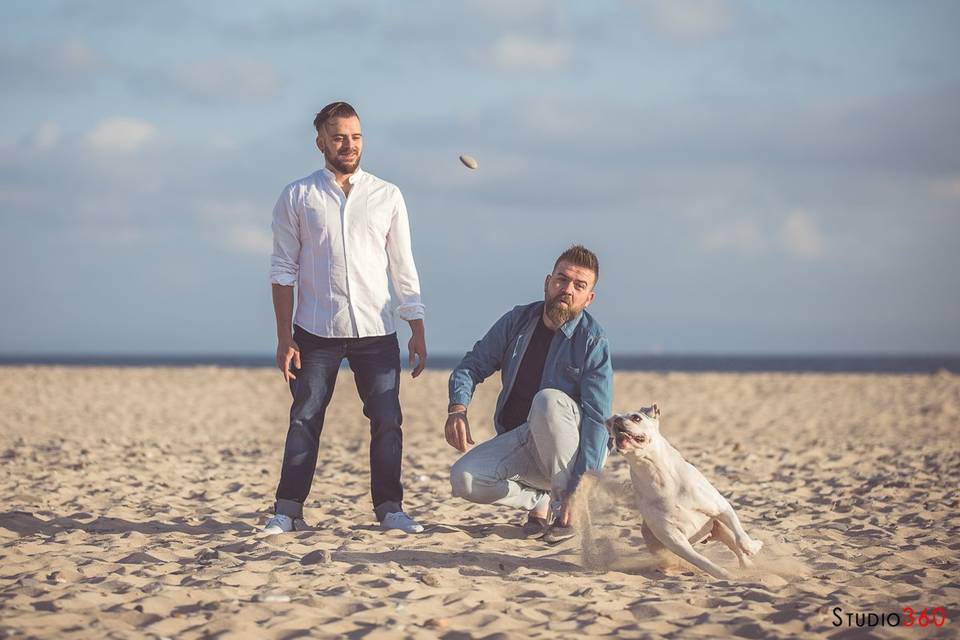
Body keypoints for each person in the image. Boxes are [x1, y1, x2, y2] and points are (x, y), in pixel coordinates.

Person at [264, 101, 427, 535]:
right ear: (320, 142)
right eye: (338, 137)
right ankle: (287, 510)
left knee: (388, 419)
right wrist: (285, 339)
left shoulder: (387, 195)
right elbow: (283, 271)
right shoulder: (297, 196)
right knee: (305, 417)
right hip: (316, 332)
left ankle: (390, 509)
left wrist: (416, 327)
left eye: (355, 136)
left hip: (377, 332)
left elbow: (403, 267)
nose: (348, 145)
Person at [445, 245, 613, 542]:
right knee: (464, 480)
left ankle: (566, 509)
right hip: (522, 441)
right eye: (562, 279)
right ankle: (538, 500)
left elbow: (598, 421)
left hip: (568, 452)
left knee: (548, 400)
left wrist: (582, 488)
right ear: (548, 282)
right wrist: (457, 408)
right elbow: (472, 365)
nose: (567, 289)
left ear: (589, 298)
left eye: (579, 285)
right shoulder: (517, 321)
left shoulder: (593, 341)